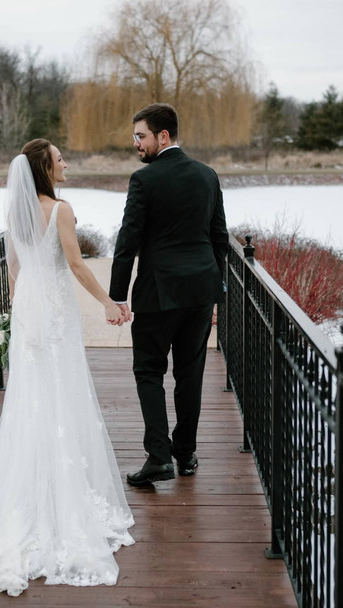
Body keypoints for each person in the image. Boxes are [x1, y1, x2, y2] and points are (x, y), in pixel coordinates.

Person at [0, 139, 134, 596]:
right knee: (61, 391)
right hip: (55, 310)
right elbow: (79, 266)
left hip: (28, 308)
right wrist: (108, 302)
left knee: (30, 397)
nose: (67, 162)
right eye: (60, 158)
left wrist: (14, 312)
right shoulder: (61, 210)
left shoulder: (16, 215)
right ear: (45, 168)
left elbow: (13, 272)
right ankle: (61, 498)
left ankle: (30, 490)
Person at [109, 103, 230, 487]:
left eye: (140, 136)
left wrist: (117, 295)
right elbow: (219, 238)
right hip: (199, 293)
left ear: (163, 136)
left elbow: (127, 241)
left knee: (149, 371)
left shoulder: (143, 181)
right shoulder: (207, 175)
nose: (135, 144)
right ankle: (187, 454)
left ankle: (159, 457)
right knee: (189, 374)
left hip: (157, 293)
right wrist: (216, 287)